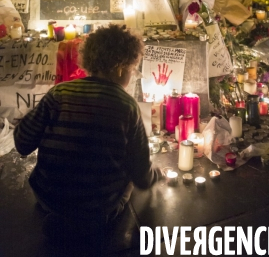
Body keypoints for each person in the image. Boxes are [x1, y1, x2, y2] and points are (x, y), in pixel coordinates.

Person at [14, 25, 161, 242]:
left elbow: (22, 143)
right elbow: (140, 173)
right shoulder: (127, 106)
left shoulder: (59, 92)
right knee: (127, 183)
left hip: (48, 196)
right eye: (133, 69)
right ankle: (87, 226)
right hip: (98, 205)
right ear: (121, 67)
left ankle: (63, 219)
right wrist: (155, 175)